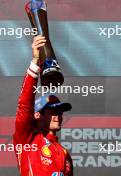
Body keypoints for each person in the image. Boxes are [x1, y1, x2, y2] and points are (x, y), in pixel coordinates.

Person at [13, 35, 73, 176]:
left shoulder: (64, 154)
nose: (58, 116)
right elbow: (25, 104)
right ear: (37, 114)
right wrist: (35, 62)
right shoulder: (27, 140)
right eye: (52, 111)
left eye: (60, 111)